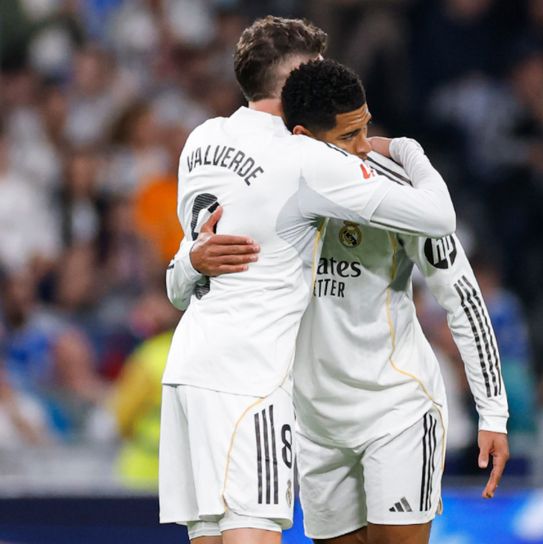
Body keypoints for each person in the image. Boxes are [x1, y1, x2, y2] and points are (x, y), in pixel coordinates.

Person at [168, 59, 509, 544]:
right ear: (304, 138)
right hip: (314, 425)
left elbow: (463, 299)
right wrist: (190, 262)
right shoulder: (265, 191)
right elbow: (189, 283)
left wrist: (493, 413)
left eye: (366, 126)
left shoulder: (395, 192)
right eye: (350, 135)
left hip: (397, 409)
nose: (365, 145)